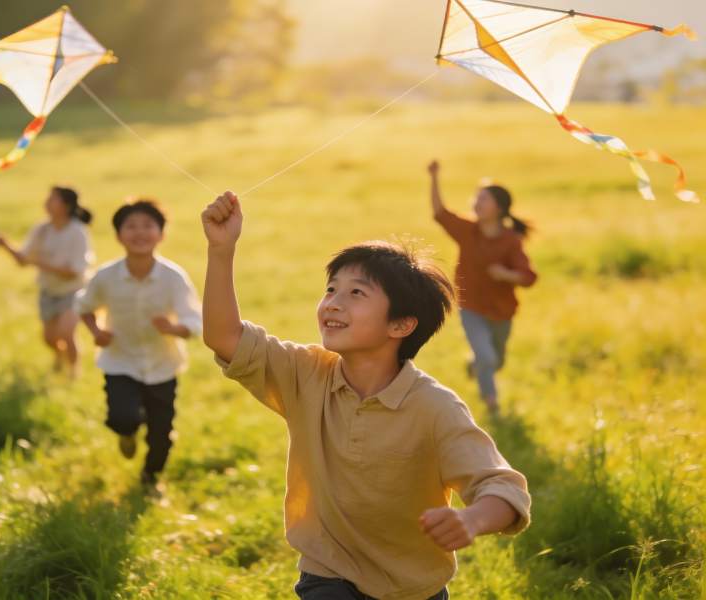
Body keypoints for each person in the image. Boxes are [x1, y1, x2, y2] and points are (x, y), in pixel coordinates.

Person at [201, 191, 530, 600]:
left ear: (401, 325)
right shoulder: (306, 373)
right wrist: (221, 250)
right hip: (327, 572)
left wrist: (473, 519)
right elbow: (224, 337)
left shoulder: (435, 408)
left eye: (356, 293)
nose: (333, 304)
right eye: (331, 289)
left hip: (414, 587)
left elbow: (504, 488)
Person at [75, 199, 201, 494]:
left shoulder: (173, 277)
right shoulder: (106, 276)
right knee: (122, 417)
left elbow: (194, 320)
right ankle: (127, 432)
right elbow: (84, 307)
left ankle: (150, 479)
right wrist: (97, 332)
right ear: (118, 235)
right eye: (131, 226)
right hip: (120, 361)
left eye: (148, 226)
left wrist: (173, 328)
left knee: (161, 433)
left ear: (161, 234)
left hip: (162, 365)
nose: (140, 232)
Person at [428, 160, 537, 414]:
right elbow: (440, 213)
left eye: (483, 199)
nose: (476, 202)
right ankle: (491, 405)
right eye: (476, 197)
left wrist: (506, 274)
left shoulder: (510, 241)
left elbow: (529, 277)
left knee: (496, 361)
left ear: (498, 208)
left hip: (502, 310)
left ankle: (474, 366)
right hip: (471, 307)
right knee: (487, 357)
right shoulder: (468, 230)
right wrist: (434, 177)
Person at [0, 186, 93, 377]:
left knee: (67, 333)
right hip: (48, 291)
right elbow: (23, 260)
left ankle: (74, 373)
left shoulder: (77, 232)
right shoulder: (41, 229)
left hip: (73, 290)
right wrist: (6, 246)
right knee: (49, 338)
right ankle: (59, 356)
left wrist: (41, 263)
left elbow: (74, 272)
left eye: (53, 199)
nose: (47, 202)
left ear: (66, 205)